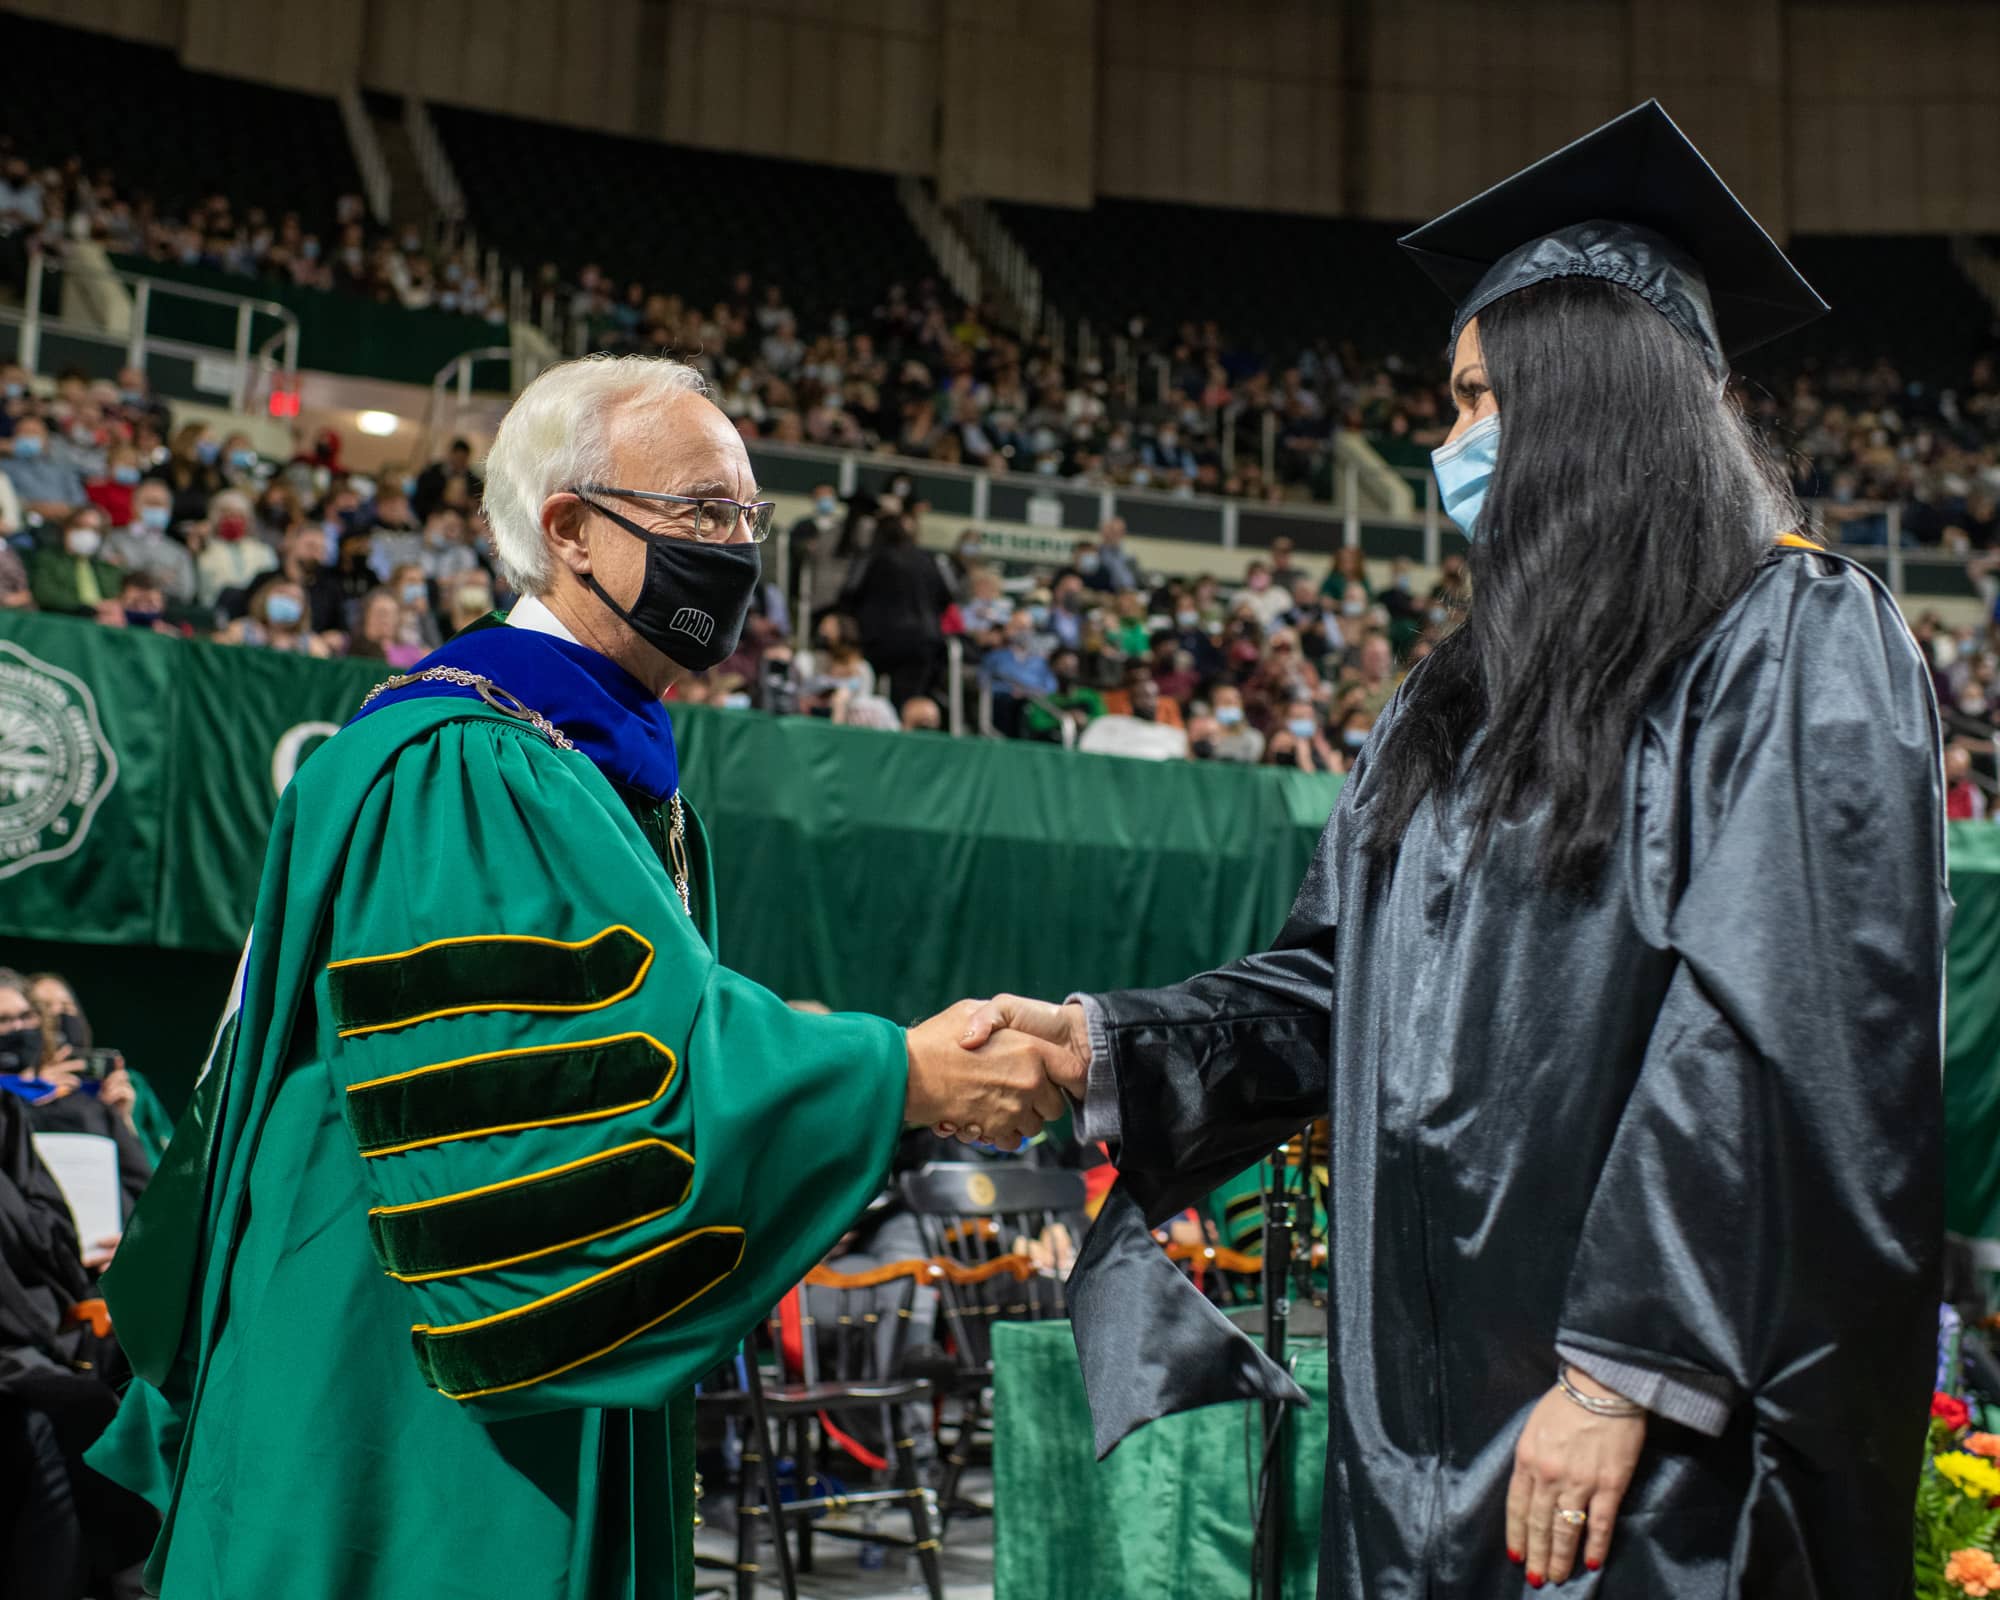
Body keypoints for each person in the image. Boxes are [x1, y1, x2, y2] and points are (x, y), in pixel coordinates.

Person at [954, 104, 1946, 1599]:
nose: (1450, 443)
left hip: (1643, 1440)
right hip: (1412, 1426)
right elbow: (1332, 988)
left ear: (1598, 398)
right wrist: (1111, 1046)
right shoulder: (1454, 699)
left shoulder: (1790, 640)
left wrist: (1626, 1370)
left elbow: (1774, 1028)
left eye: (1484, 399)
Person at [86, 354, 1064, 1600]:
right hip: (404, 1375)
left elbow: (626, 1027)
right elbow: (562, 1109)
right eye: (703, 513)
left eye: (748, 519)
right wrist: (899, 1071)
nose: (738, 551)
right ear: (571, 532)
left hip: (466, 1350)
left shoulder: (578, 761)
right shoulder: (466, 763)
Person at [843, 506, 950, 705]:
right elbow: (946, 597)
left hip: (878, 639)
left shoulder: (872, 556)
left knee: (864, 698)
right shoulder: (926, 558)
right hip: (923, 640)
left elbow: (849, 593)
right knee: (908, 702)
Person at [104, 480, 196, 606]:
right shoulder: (113, 539)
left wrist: (129, 567)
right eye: (150, 503)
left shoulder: (179, 552)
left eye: (160, 504)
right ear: (133, 505)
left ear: (169, 511)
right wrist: (160, 579)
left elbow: (185, 593)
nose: (155, 509)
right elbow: (107, 577)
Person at [26, 506, 121, 616]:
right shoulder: (47, 558)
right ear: (67, 527)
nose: (87, 534)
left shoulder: (103, 566)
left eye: (95, 530)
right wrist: (89, 607)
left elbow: (113, 597)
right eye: (81, 526)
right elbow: (44, 594)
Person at [192, 490, 278, 610]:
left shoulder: (264, 551)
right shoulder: (204, 549)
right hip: (214, 611)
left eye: (239, 516)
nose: (233, 520)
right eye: (227, 515)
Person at [2, 416, 88, 520]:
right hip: (28, 520)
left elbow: (79, 499)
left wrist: (64, 510)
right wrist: (34, 507)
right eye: (24, 432)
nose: (29, 436)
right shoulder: (5, 466)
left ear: (46, 438)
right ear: (15, 436)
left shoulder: (63, 465)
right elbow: (7, 499)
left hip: (67, 520)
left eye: (34, 432)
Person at [413, 436, 481, 521]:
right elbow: (420, 501)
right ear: (450, 454)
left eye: (462, 459)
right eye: (457, 458)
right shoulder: (430, 475)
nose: (459, 462)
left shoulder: (474, 482)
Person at [1207, 683, 1266, 763]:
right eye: (1226, 702)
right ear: (1214, 707)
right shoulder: (1206, 737)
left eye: (1235, 703)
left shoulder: (1253, 737)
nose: (1231, 707)